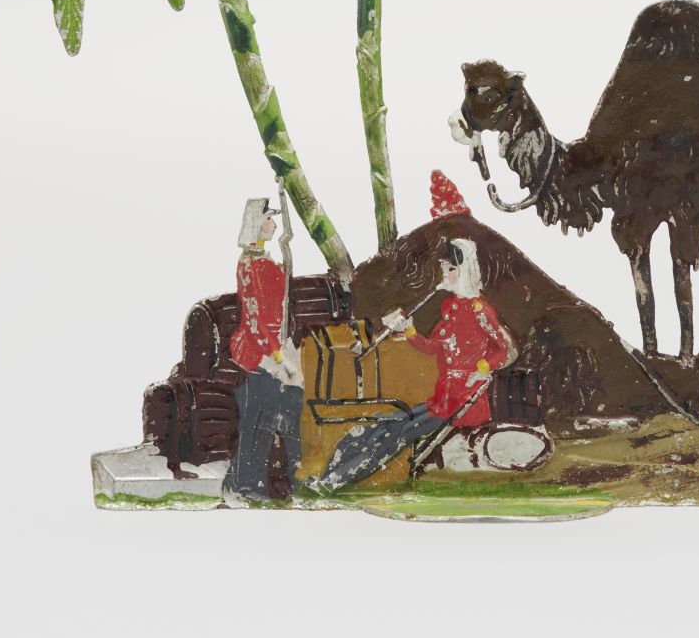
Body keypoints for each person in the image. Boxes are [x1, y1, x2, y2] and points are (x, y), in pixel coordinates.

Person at [318, 235, 517, 489]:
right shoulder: (452, 310)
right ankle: (329, 474)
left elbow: (507, 349)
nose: (444, 273)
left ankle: (337, 480)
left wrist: (483, 367)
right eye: (444, 268)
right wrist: (410, 330)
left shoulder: (480, 311)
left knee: (398, 433)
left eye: (450, 269)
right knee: (384, 422)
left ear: (465, 270)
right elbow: (432, 347)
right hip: (443, 399)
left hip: (464, 400)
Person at [221, 198, 303, 506]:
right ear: (256, 224)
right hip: (258, 353)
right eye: (268, 219)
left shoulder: (263, 259)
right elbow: (255, 317)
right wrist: (278, 356)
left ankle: (265, 480)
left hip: (274, 346)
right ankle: (245, 484)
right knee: (255, 421)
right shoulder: (251, 264)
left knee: (269, 419)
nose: (273, 224)